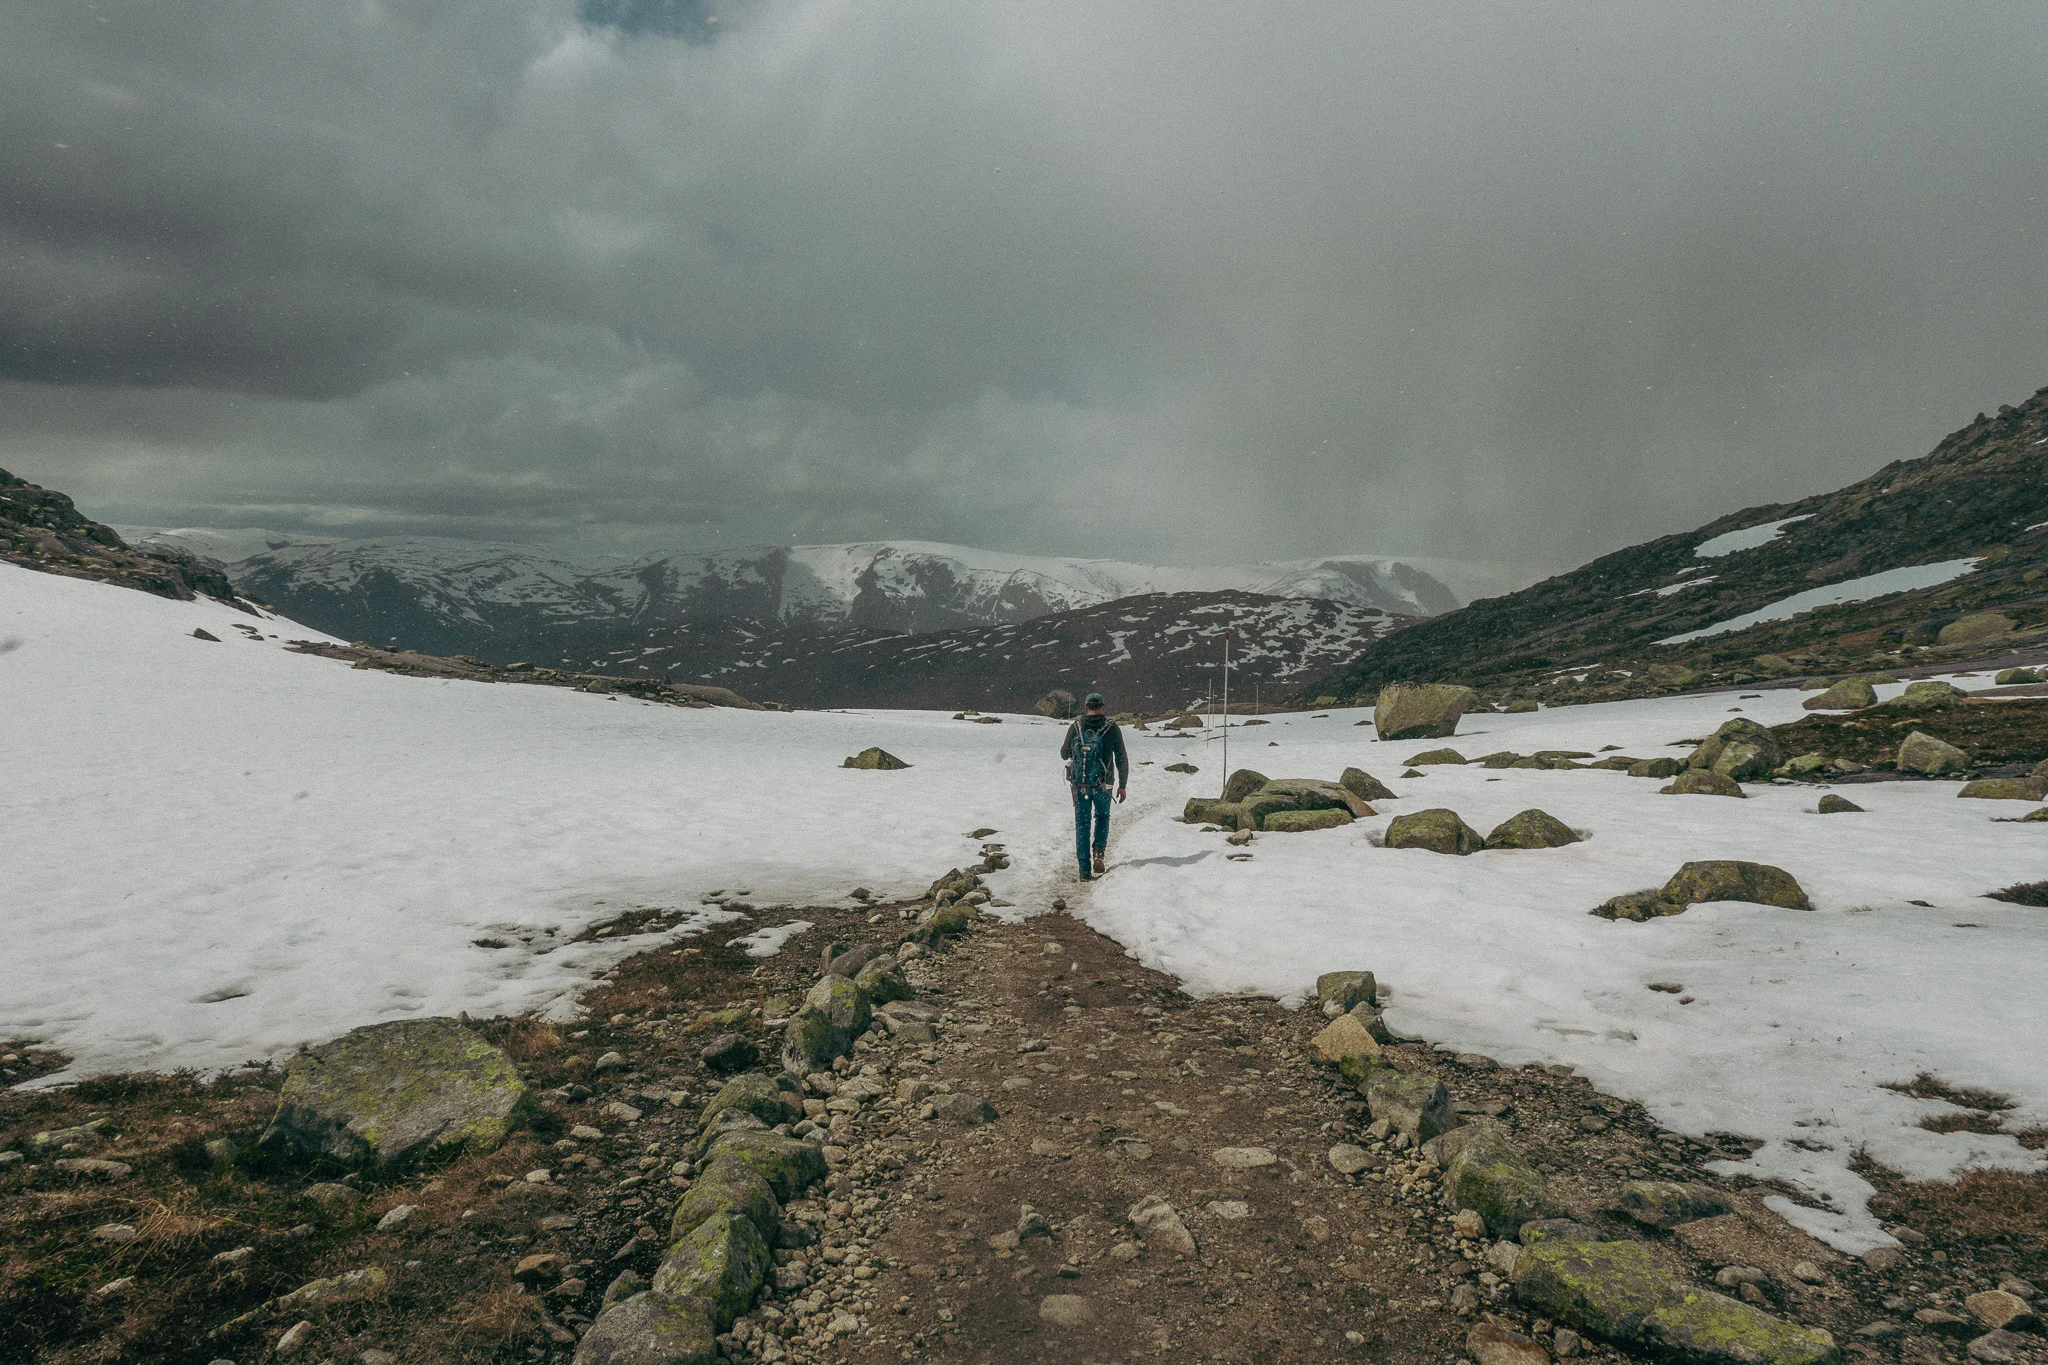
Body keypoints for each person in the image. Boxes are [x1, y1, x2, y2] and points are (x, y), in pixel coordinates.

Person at [1059, 692, 1128, 880]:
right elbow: (1121, 756)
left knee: (1082, 824)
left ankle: (1084, 870)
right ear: (1102, 707)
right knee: (1103, 817)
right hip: (1104, 784)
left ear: (1086, 707)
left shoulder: (1076, 726)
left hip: (1080, 785)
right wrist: (1122, 785)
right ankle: (1098, 852)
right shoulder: (1111, 727)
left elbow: (1064, 753)